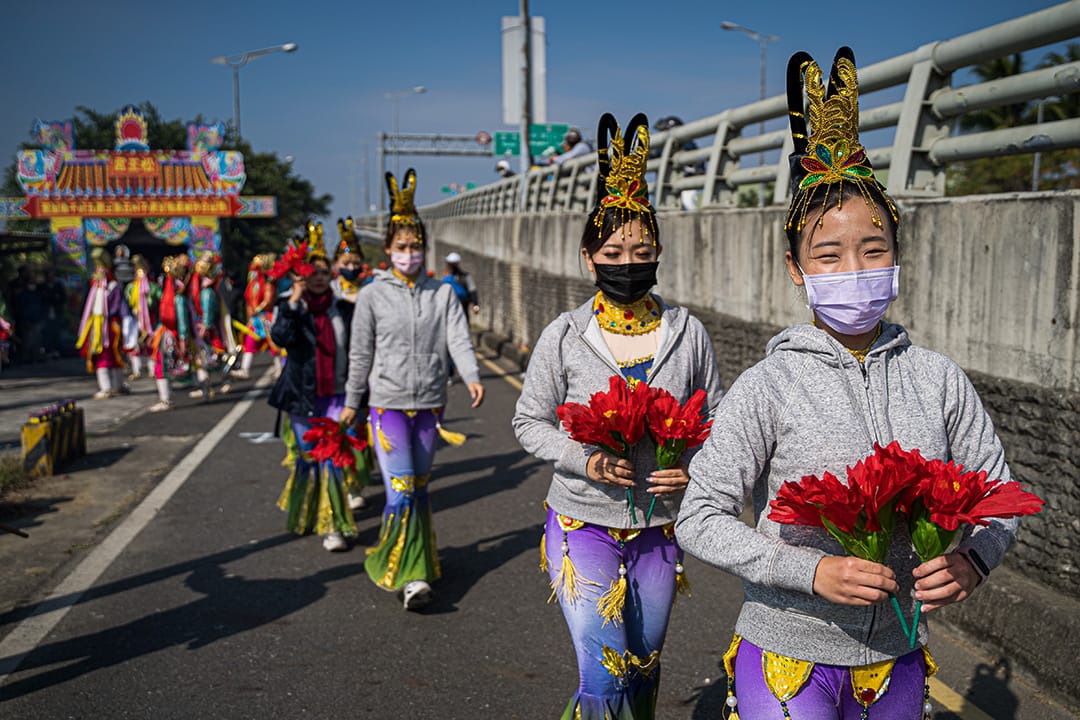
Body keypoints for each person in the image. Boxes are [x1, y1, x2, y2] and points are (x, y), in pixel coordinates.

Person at [675, 48, 1023, 720]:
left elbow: (1001, 496)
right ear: (796, 268)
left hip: (898, 659)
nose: (854, 268)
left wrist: (975, 560)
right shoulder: (767, 386)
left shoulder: (940, 380)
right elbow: (700, 516)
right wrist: (808, 572)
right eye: (828, 254)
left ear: (897, 253)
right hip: (786, 658)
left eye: (874, 248)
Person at [512, 113, 724, 719]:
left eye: (641, 250)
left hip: (661, 527)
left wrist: (693, 473)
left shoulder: (690, 335)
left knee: (643, 662)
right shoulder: (564, 335)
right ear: (589, 257)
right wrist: (586, 458)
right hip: (583, 525)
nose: (627, 261)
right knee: (604, 671)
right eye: (612, 251)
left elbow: (718, 427)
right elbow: (529, 422)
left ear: (657, 253)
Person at [340, 168, 485, 611]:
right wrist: (351, 403)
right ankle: (411, 575)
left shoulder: (441, 293)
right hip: (386, 406)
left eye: (416, 246)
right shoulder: (371, 295)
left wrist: (472, 374)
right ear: (387, 250)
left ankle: (413, 558)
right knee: (400, 489)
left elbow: (457, 337)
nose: (410, 254)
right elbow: (360, 353)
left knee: (419, 490)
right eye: (402, 247)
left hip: (429, 405)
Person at [268, 243, 359, 552]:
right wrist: (294, 300)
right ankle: (306, 511)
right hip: (301, 397)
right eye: (312, 272)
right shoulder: (289, 307)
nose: (319, 278)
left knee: (332, 459)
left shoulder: (344, 308)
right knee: (307, 458)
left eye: (324, 272)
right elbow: (280, 337)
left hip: (337, 394)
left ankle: (333, 526)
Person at [76, 249, 129, 398]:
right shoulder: (94, 287)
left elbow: (121, 308)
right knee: (101, 355)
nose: (99, 271)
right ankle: (107, 387)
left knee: (115, 355)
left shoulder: (114, 287)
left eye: (102, 268)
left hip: (111, 327)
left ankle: (116, 386)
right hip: (97, 327)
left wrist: (126, 325)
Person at [148, 254, 195, 413]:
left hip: (172, 336)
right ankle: (165, 398)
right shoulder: (168, 295)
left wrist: (182, 340)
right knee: (161, 366)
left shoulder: (178, 298)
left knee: (166, 367)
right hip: (165, 333)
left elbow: (181, 321)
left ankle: (166, 399)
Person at [232, 253, 277, 380]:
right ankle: (245, 370)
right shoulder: (253, 283)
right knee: (249, 342)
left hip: (266, 318)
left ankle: (280, 367)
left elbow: (267, 301)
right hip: (255, 320)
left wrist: (257, 309)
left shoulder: (268, 283)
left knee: (274, 343)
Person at [123, 255, 160, 380]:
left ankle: (152, 370)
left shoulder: (153, 287)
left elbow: (158, 301)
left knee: (151, 344)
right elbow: (127, 303)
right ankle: (136, 370)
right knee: (135, 345)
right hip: (136, 320)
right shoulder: (130, 287)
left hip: (151, 320)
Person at [441, 252, 479, 317]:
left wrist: (475, 306)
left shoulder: (447, 278)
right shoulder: (465, 276)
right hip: (462, 304)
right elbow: (473, 291)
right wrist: (475, 306)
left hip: (451, 305)